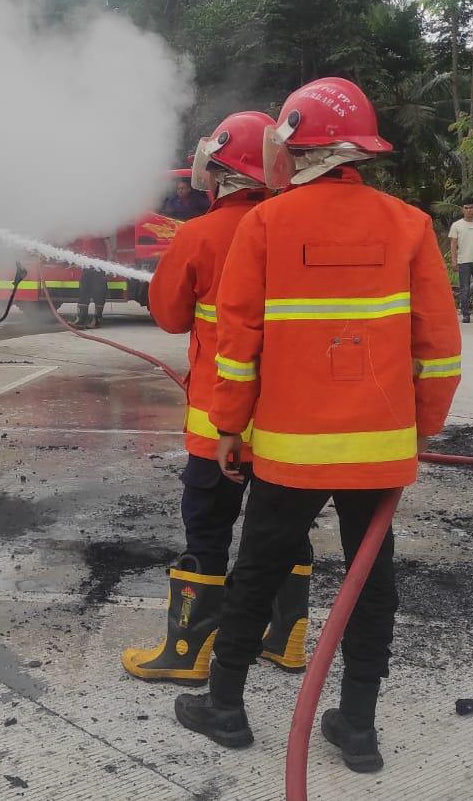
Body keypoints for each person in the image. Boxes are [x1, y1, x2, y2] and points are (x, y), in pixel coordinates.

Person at [172, 77, 462, 774]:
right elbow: (440, 347)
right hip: (378, 453)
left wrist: (229, 428)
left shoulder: (266, 225)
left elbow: (238, 347)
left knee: (256, 572)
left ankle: (227, 707)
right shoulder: (411, 225)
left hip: (288, 453)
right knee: (370, 583)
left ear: (295, 142)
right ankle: (358, 728)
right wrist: (423, 429)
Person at [123, 111, 315, 684]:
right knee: (286, 528)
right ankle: (285, 640)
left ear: (219, 169)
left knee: (207, 530)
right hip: (286, 423)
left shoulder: (199, 235)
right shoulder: (295, 227)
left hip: (217, 422)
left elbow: (168, 315)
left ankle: (188, 651)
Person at [71, 234, 110, 329]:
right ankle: (80, 319)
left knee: (98, 291)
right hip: (86, 264)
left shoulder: (100, 226)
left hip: (99, 264)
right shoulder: (84, 227)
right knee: (84, 290)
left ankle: (97, 320)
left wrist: (108, 262)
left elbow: (108, 244)